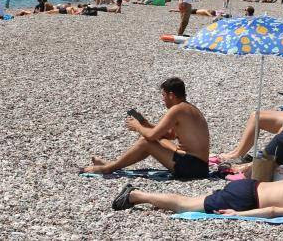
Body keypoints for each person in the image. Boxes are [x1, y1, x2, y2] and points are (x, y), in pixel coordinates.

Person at [80, 77, 210, 180]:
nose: (162, 99)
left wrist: (137, 127)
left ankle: (109, 168)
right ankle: (113, 163)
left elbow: (151, 136)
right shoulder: (189, 108)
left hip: (192, 168)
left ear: (171, 95)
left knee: (146, 141)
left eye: (164, 95)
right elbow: (170, 135)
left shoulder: (177, 109)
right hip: (199, 166)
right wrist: (146, 124)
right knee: (158, 141)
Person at [111, 178, 283, 218]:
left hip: (251, 184)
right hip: (246, 200)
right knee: (184, 204)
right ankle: (135, 196)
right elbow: (273, 210)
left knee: (191, 198)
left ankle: (137, 195)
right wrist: (239, 215)